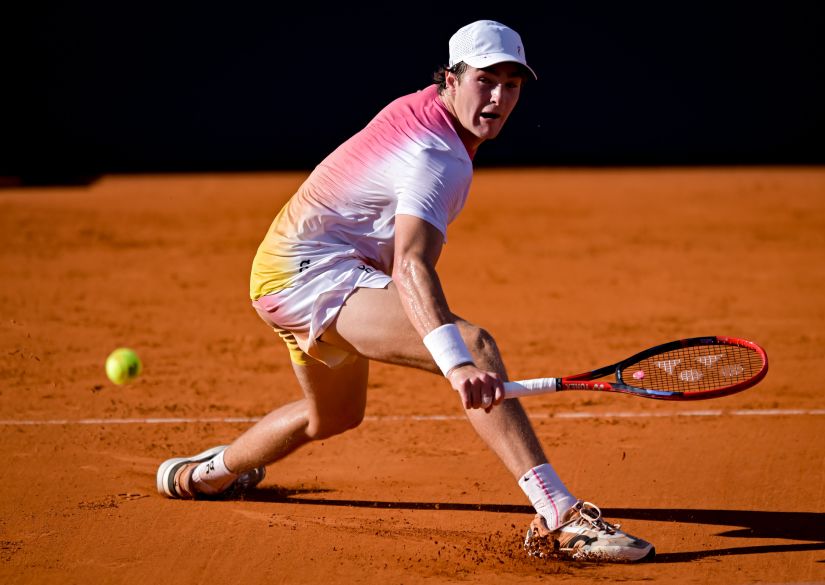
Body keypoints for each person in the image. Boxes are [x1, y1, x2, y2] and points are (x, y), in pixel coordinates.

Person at [156, 19, 654, 563]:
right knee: (476, 346)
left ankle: (203, 476)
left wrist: (423, 323)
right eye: (485, 81)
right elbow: (411, 267)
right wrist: (456, 363)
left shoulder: (430, 115)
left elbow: (399, 258)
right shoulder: (434, 156)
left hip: (295, 269)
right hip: (308, 277)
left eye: (512, 84)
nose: (498, 98)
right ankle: (560, 515)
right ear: (451, 77)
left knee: (334, 417)